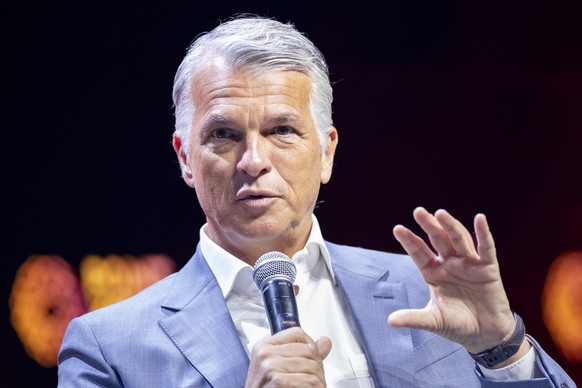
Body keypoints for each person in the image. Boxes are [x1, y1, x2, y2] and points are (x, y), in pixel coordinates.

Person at [57, 14, 575, 387]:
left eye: (282, 129)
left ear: (326, 152)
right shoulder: (109, 347)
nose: (252, 160)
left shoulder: (427, 293)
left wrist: (503, 349)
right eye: (223, 135)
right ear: (185, 158)